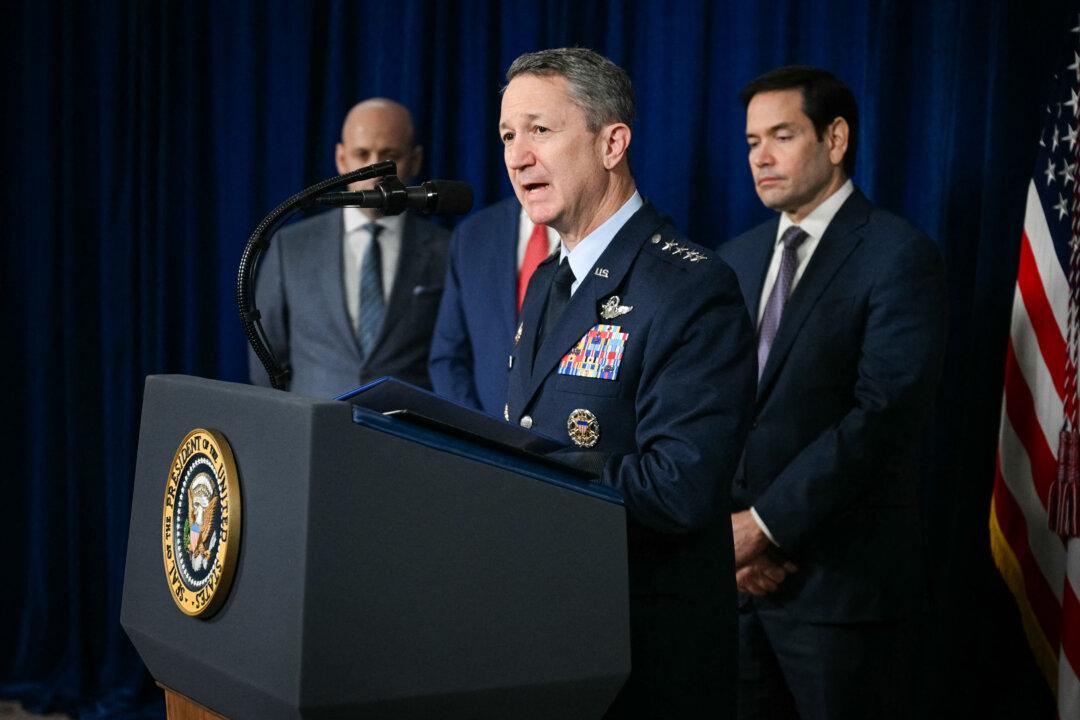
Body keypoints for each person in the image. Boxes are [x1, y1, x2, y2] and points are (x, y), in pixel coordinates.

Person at [500, 48, 756, 718]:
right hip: (542, 633)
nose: (517, 156)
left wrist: (509, 470)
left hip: (641, 659)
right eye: (507, 136)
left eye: (539, 130)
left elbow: (678, 488)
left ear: (613, 142)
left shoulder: (690, 286)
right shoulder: (549, 284)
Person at [718, 65, 947, 720]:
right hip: (734, 592)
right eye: (751, 141)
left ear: (836, 138)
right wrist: (726, 547)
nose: (761, 156)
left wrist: (763, 528)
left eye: (781, 135)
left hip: (839, 598)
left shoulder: (897, 254)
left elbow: (883, 416)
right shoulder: (734, 258)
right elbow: (709, 410)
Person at [249, 98, 449, 397]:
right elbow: (266, 363)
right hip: (315, 433)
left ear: (415, 160)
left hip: (407, 437)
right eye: (361, 154)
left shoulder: (446, 251)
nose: (374, 170)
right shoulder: (290, 247)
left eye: (389, 157)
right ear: (341, 160)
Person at [428, 197, 558, 416]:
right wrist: (477, 434)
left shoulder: (599, 230)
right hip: (482, 442)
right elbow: (447, 359)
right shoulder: (473, 234)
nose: (523, 162)